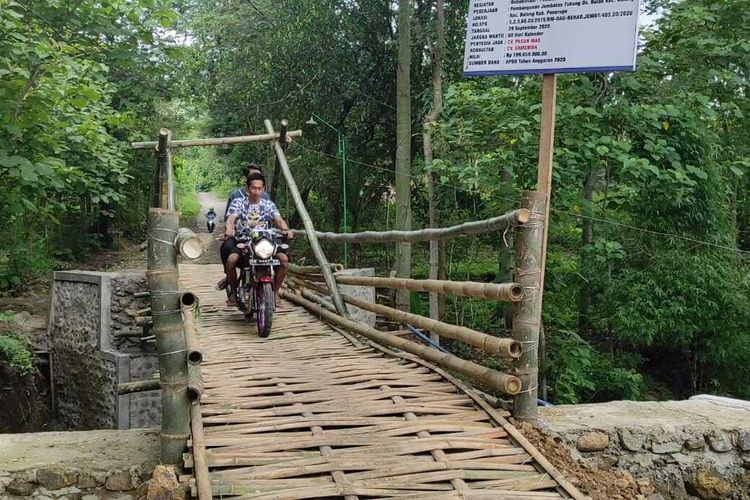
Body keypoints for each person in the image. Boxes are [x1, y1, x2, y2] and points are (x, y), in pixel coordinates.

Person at [223, 173, 292, 306]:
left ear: (264, 189)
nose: (256, 191)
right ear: (248, 188)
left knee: (283, 260)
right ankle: (233, 291)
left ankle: (275, 292)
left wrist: (286, 229)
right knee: (231, 260)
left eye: (259, 188)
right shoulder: (238, 202)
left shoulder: (268, 204)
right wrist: (229, 228)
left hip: (266, 241)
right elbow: (231, 218)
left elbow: (278, 219)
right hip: (245, 241)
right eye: (253, 188)